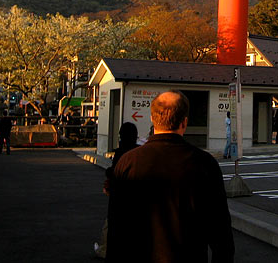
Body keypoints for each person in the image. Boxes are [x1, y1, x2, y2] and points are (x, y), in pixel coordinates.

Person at [107, 90, 234, 263]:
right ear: (185, 122)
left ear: (152, 119)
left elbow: (116, 227)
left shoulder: (128, 162)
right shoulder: (205, 164)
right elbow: (221, 232)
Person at [94, 122, 139, 258]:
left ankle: (104, 250)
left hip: (120, 195)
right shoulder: (139, 151)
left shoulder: (121, 152)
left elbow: (115, 172)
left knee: (111, 224)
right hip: (137, 195)